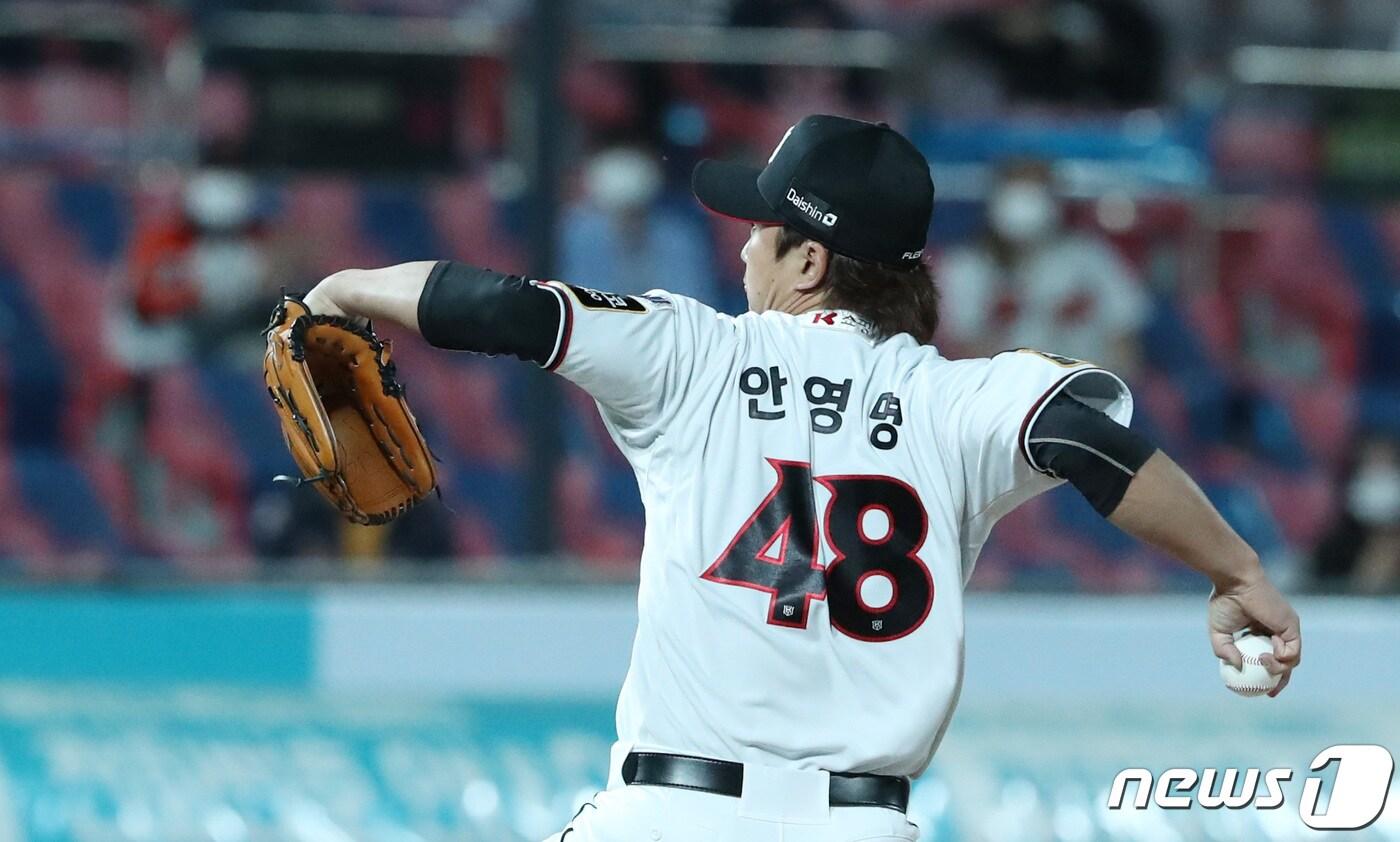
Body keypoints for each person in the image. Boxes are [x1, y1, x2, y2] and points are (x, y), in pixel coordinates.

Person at [299, 115, 1300, 842]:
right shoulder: (957, 400)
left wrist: (346, 289)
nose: (742, 245)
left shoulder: (694, 352)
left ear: (809, 260)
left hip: (672, 816)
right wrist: (1236, 572)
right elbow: (1093, 445)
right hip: (858, 824)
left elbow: (507, 309)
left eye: (760, 227)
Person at [938, 159, 1150, 376]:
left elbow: (1125, 334)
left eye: (1035, 190)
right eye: (1017, 190)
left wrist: (1113, 383)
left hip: (1081, 383)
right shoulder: (967, 265)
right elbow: (965, 344)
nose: (1026, 202)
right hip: (1005, 386)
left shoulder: (1088, 255)